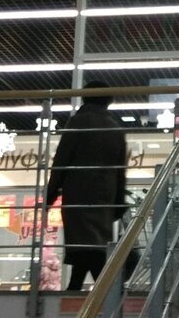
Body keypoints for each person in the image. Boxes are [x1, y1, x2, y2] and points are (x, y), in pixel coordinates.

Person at [46, 82, 127, 290]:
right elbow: (120, 170)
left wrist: (50, 193)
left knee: (84, 246)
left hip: (78, 194)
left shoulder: (78, 122)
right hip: (105, 197)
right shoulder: (115, 128)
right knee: (93, 245)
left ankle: (107, 291)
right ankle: (79, 287)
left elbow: (62, 160)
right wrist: (119, 200)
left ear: (85, 98)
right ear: (109, 101)